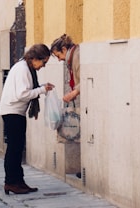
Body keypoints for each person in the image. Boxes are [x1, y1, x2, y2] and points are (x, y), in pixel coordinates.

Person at [0, 44, 54, 195]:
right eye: (43, 62)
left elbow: (27, 90)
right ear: (35, 58)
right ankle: (11, 182)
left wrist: (42, 87)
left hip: (15, 111)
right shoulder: (23, 69)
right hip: (13, 111)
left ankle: (18, 181)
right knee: (14, 149)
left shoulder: (24, 67)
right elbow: (22, 94)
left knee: (17, 148)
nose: (43, 66)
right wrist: (42, 90)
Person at [50, 34, 81, 178]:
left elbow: (84, 78)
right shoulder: (72, 57)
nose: (59, 59)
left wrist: (74, 93)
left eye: (58, 55)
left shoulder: (77, 55)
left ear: (64, 49)